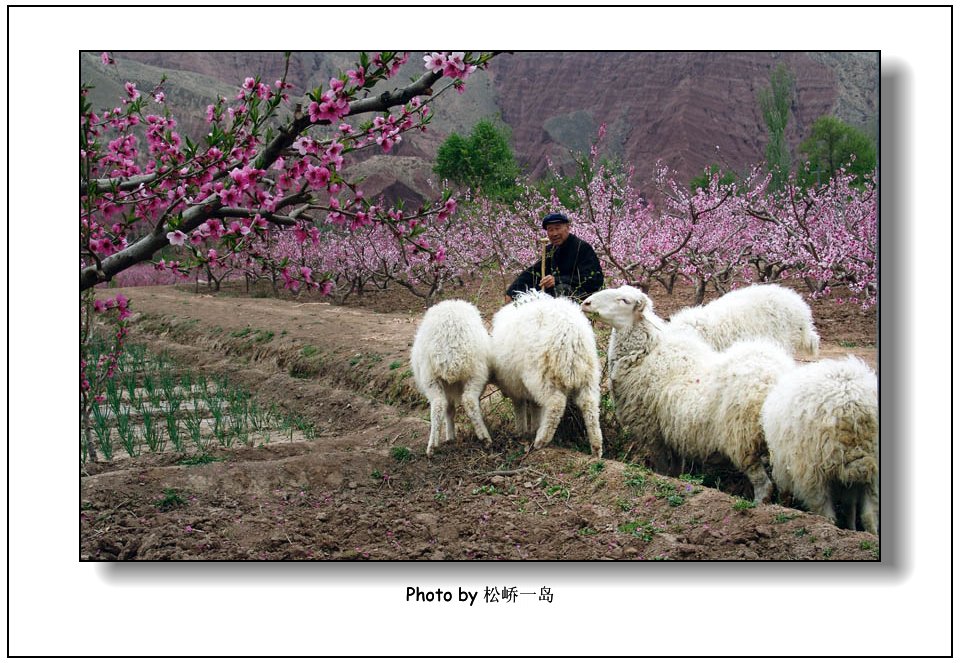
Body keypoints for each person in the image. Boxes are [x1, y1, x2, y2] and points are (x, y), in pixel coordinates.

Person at [504, 212, 604, 303]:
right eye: (550, 230)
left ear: (567, 228)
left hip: (581, 298)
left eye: (557, 228)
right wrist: (512, 292)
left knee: (561, 288)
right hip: (555, 296)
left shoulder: (582, 248)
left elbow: (594, 279)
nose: (554, 233)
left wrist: (557, 280)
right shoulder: (550, 250)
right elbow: (533, 272)